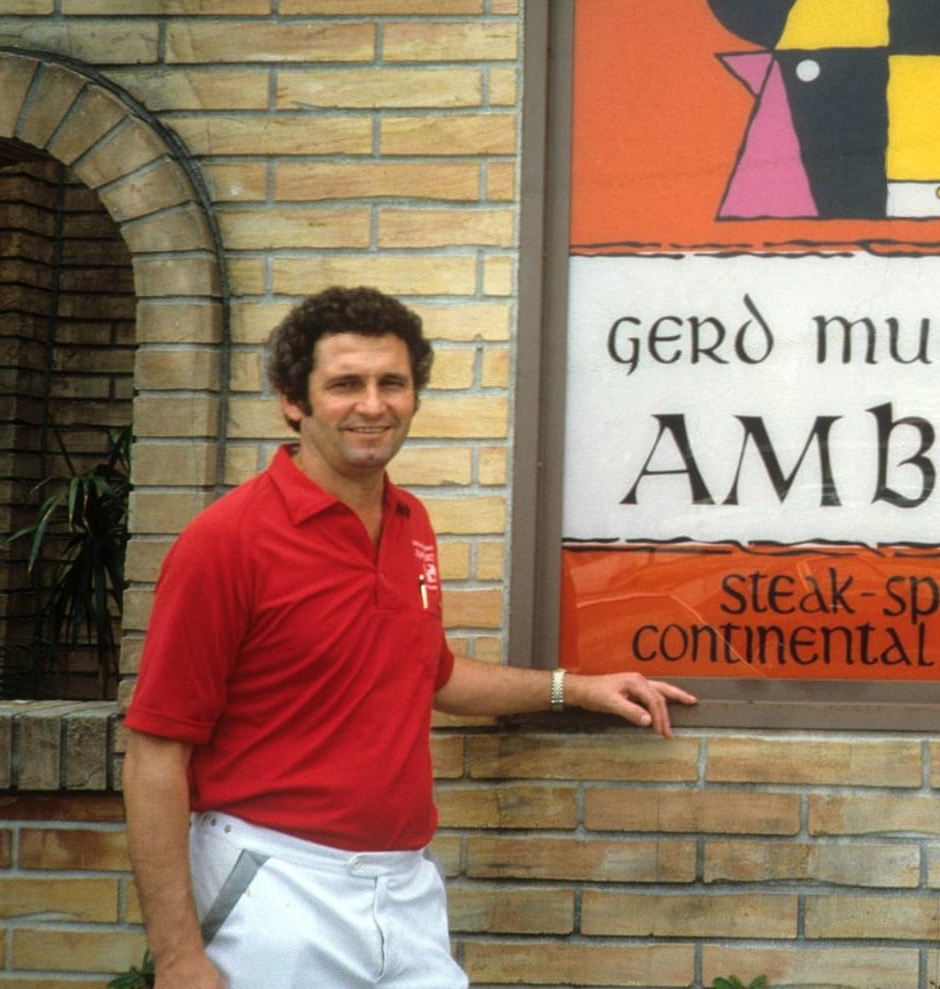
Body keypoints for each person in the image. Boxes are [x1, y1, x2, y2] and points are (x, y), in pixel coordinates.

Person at [123, 287, 695, 989]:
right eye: (345, 384)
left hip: (405, 885)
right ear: (292, 400)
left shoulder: (409, 521)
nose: (372, 404)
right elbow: (154, 753)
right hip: (273, 882)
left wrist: (572, 687)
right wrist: (179, 955)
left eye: (391, 382)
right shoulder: (226, 542)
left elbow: (430, 671)